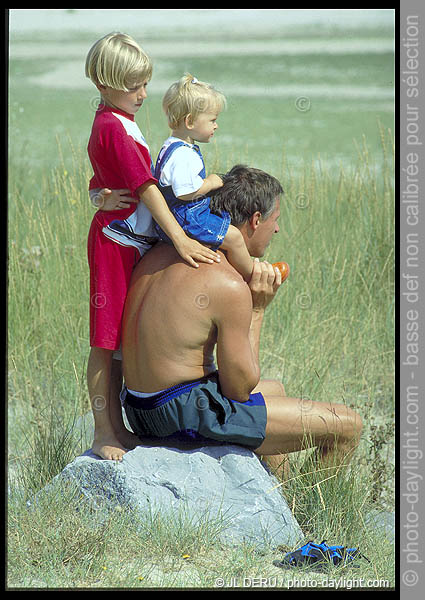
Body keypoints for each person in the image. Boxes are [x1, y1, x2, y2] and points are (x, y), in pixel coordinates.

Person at [119, 165, 363, 472]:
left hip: (140, 408)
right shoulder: (228, 283)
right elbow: (240, 389)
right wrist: (257, 308)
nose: (277, 230)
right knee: (348, 426)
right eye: (275, 220)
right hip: (182, 414)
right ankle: (310, 513)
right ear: (256, 220)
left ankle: (284, 499)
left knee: (275, 391)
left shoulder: (162, 250)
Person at [85, 32, 219, 461]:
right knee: (106, 342)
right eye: (133, 85)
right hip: (115, 244)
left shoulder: (119, 118)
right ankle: (103, 431)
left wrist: (98, 195)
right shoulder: (112, 124)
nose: (143, 94)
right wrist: (179, 239)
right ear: (105, 84)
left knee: (124, 339)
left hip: (130, 240)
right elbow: (145, 186)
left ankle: (120, 427)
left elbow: (102, 177)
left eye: (144, 83)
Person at [154, 74, 254, 282]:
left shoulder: (170, 145)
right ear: (190, 121)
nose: (216, 126)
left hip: (178, 217)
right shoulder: (184, 154)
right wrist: (210, 182)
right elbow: (184, 192)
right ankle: (252, 278)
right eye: (212, 120)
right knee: (234, 237)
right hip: (187, 218)